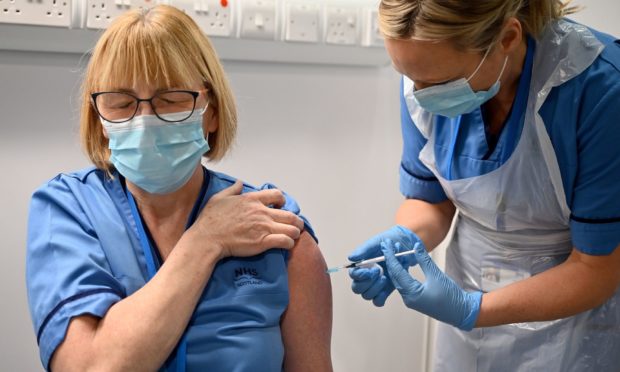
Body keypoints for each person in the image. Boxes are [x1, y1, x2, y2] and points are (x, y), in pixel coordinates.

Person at [26, 5, 332, 372]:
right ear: (100, 119)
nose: (144, 121)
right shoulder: (66, 211)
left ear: (212, 111)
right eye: (121, 103)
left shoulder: (276, 230)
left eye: (171, 100)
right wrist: (206, 239)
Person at [348, 0, 620, 370]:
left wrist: (469, 308)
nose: (421, 94)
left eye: (440, 83)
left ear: (508, 37)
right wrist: (407, 238)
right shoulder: (422, 73)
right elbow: (432, 200)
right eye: (410, 78)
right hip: (469, 302)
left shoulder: (599, 90)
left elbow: (596, 269)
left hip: (574, 321)